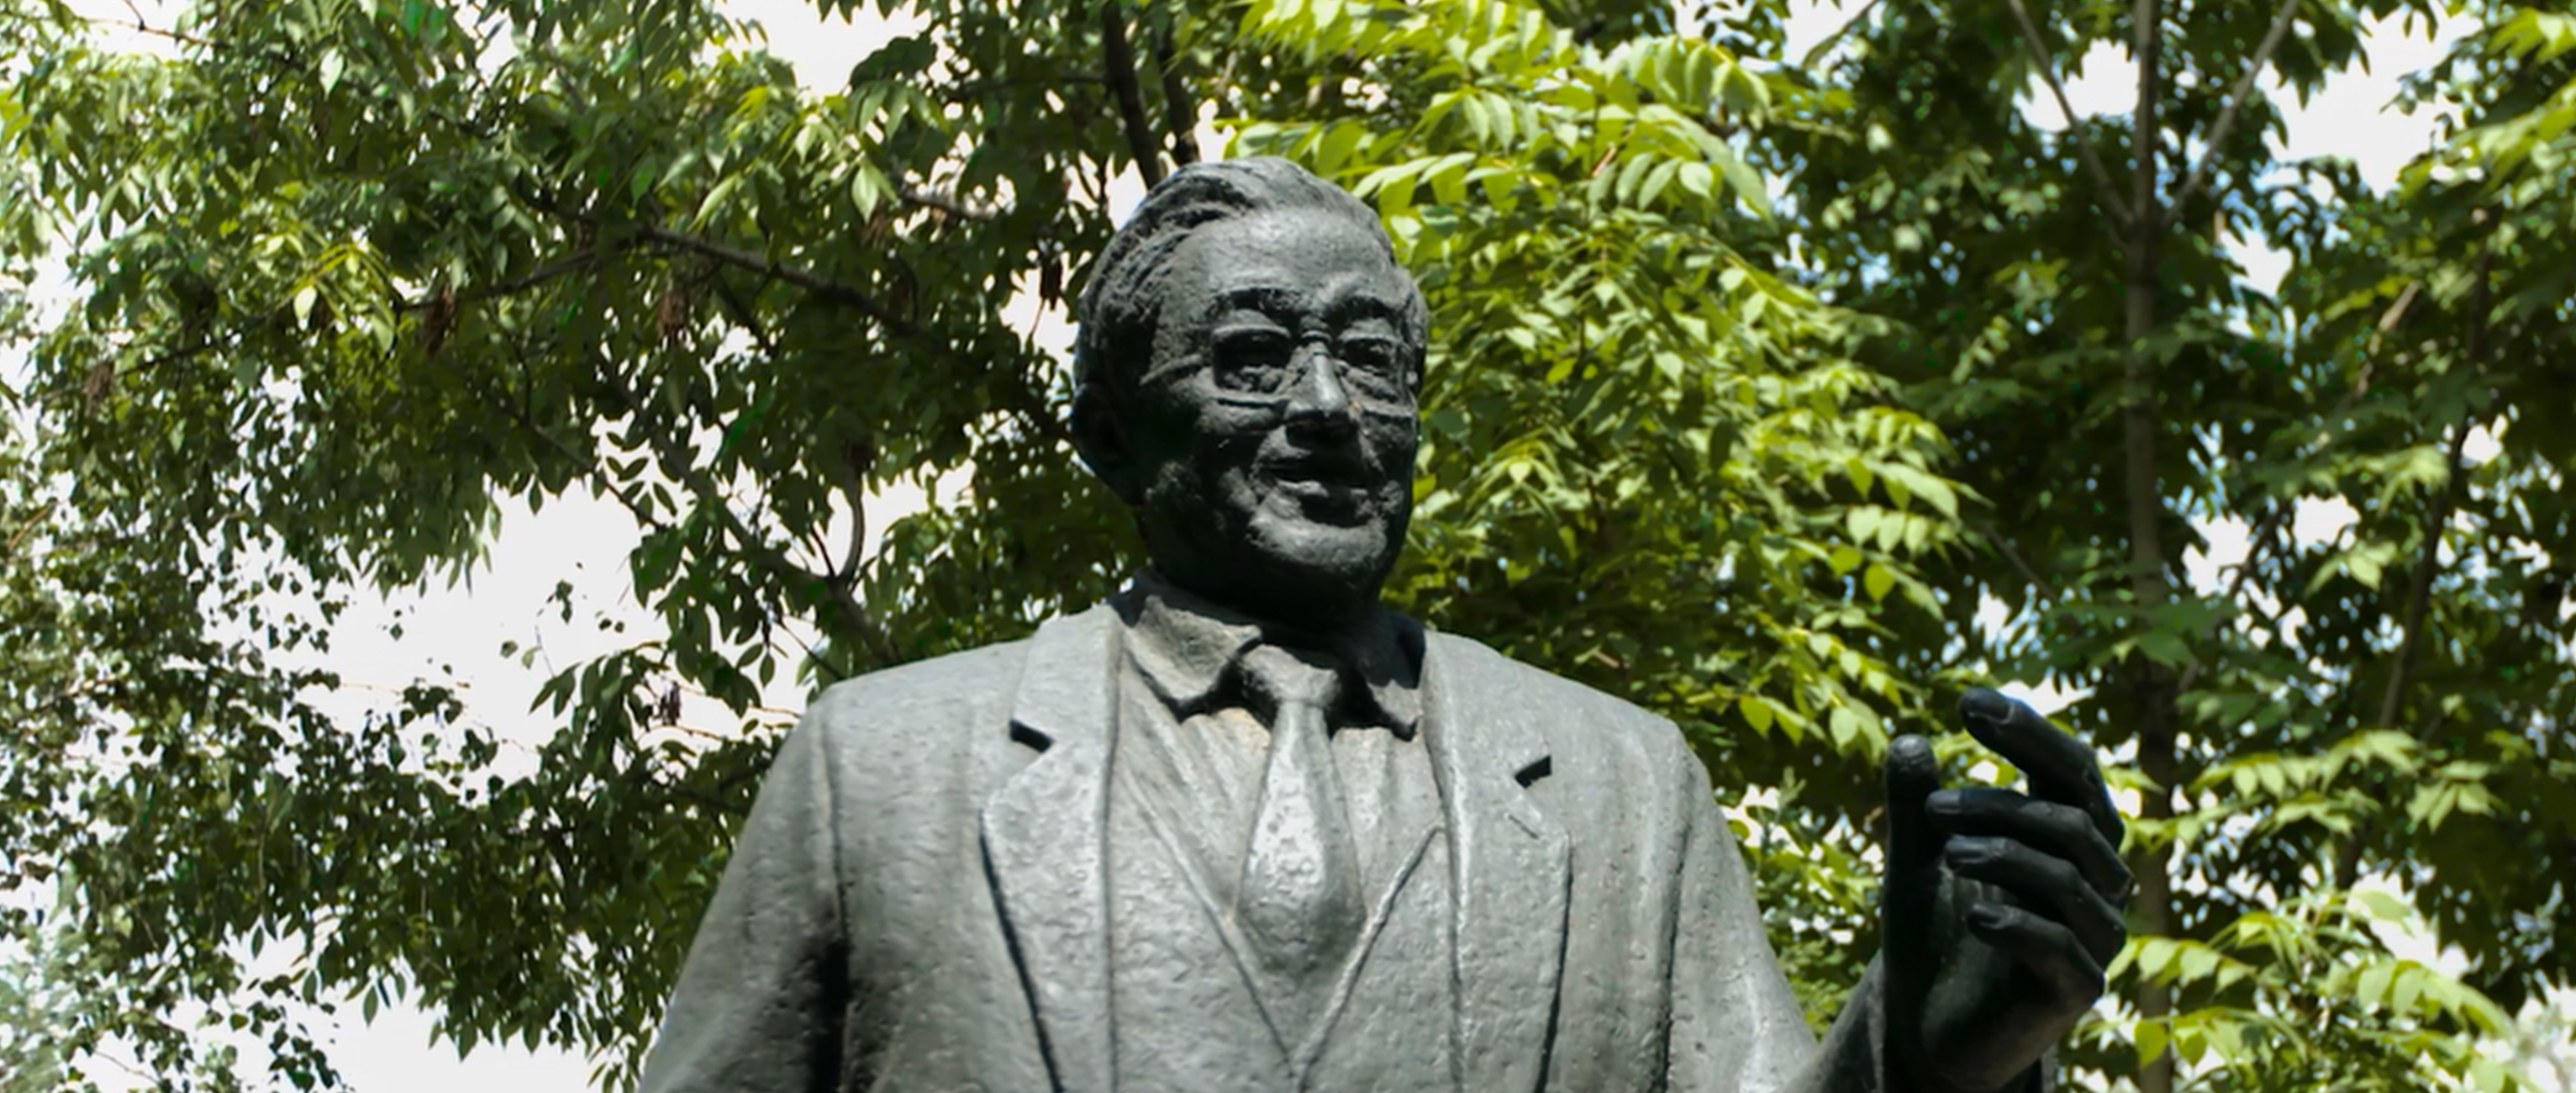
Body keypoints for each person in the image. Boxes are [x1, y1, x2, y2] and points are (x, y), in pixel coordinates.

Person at [635, 156, 2131, 1093]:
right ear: (1108, 436)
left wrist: (1934, 1061)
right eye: (1252, 355)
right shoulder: (882, 769)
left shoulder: (1623, 787)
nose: (1328, 408)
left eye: (1372, 360)